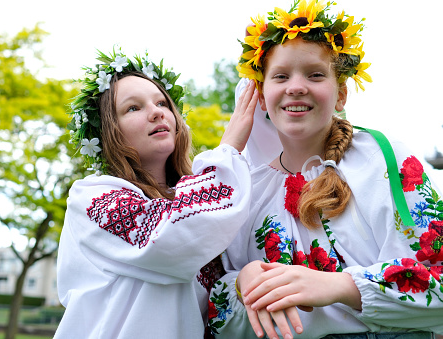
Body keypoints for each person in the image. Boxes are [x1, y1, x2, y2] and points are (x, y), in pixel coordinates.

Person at [208, 1, 443, 338]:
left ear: (341, 94)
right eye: (281, 76)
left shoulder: (383, 160)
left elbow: (438, 280)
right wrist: (243, 279)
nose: (296, 86)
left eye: (315, 74)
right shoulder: (249, 189)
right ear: (260, 98)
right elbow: (215, 316)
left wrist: (342, 287)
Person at [53, 49, 259, 338]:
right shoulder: (91, 197)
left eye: (162, 102)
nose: (157, 112)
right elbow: (167, 233)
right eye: (133, 108)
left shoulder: (195, 203)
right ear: (110, 132)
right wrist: (229, 149)